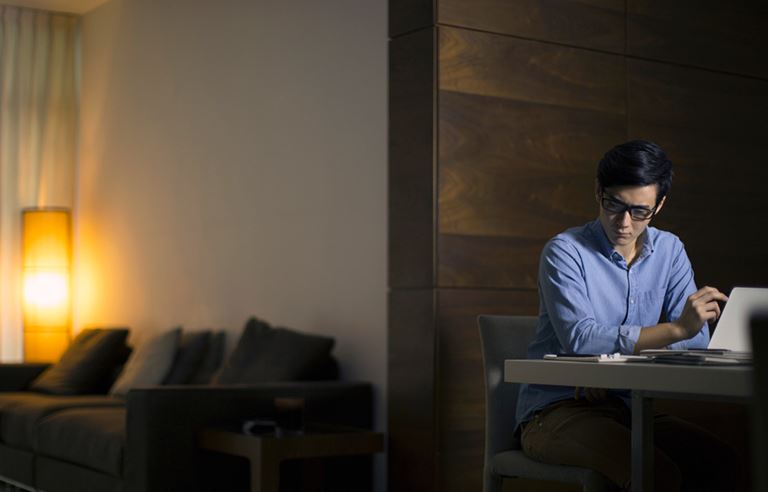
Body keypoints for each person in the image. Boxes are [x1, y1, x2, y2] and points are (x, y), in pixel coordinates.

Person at [516, 140, 743, 491]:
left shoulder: (670, 250)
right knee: (655, 473)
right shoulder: (565, 251)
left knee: (726, 464)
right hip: (557, 412)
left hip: (631, 407)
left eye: (640, 211)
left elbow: (695, 343)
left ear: (660, 205)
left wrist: (609, 366)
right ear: (598, 192)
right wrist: (676, 328)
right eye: (614, 205)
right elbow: (581, 338)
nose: (624, 223)